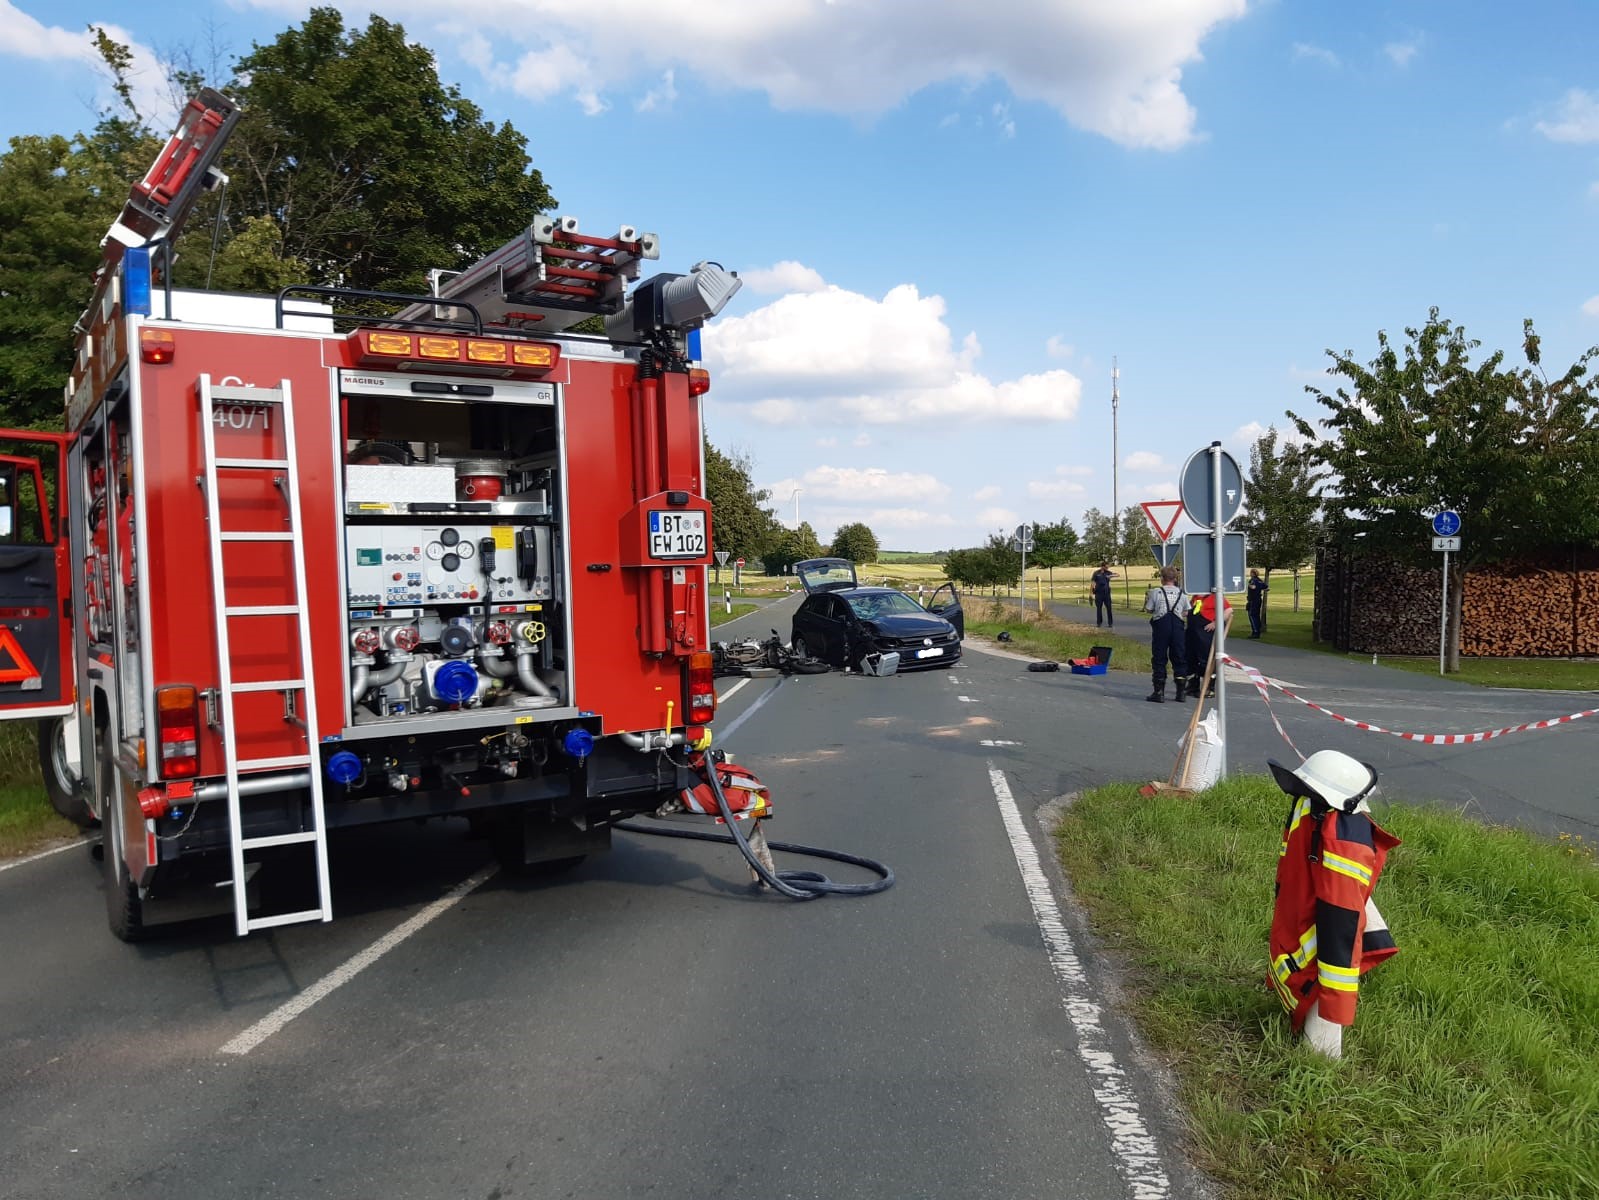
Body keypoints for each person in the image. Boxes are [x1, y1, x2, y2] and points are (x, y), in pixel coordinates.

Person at [1142, 566, 1187, 703]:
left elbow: (1149, 609)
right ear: (1175, 578)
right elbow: (1186, 611)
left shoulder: (1156, 592)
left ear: (1162, 578)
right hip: (1177, 627)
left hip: (1161, 627)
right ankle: (1181, 692)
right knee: (1179, 657)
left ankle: (1159, 692)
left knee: (1159, 658)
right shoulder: (1182, 593)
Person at [1185, 589, 1235, 698]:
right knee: (1191, 659)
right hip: (1193, 634)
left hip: (1207, 634)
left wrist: (1216, 623)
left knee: (1207, 659)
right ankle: (1192, 686)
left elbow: (1228, 610)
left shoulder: (1215, 597)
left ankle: (1209, 688)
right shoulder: (1195, 598)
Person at [1090, 561, 1118, 628]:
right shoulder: (1096, 573)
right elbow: (1093, 582)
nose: (1107, 568)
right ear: (1102, 566)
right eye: (1106, 567)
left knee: (1109, 608)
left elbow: (1117, 574)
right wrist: (1091, 593)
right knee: (1099, 608)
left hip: (1106, 593)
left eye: (1107, 567)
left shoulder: (1108, 572)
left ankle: (1110, 623)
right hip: (1098, 593)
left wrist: (1111, 576)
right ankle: (1099, 623)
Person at [1246, 568, 1268, 638]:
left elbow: (1253, 587)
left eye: (1251, 573)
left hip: (1253, 600)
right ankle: (1257, 631)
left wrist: (1248, 585)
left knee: (1252, 615)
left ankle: (1255, 632)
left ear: (1253, 573)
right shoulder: (1260, 580)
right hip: (1258, 599)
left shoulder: (1253, 580)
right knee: (1257, 615)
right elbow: (1266, 587)